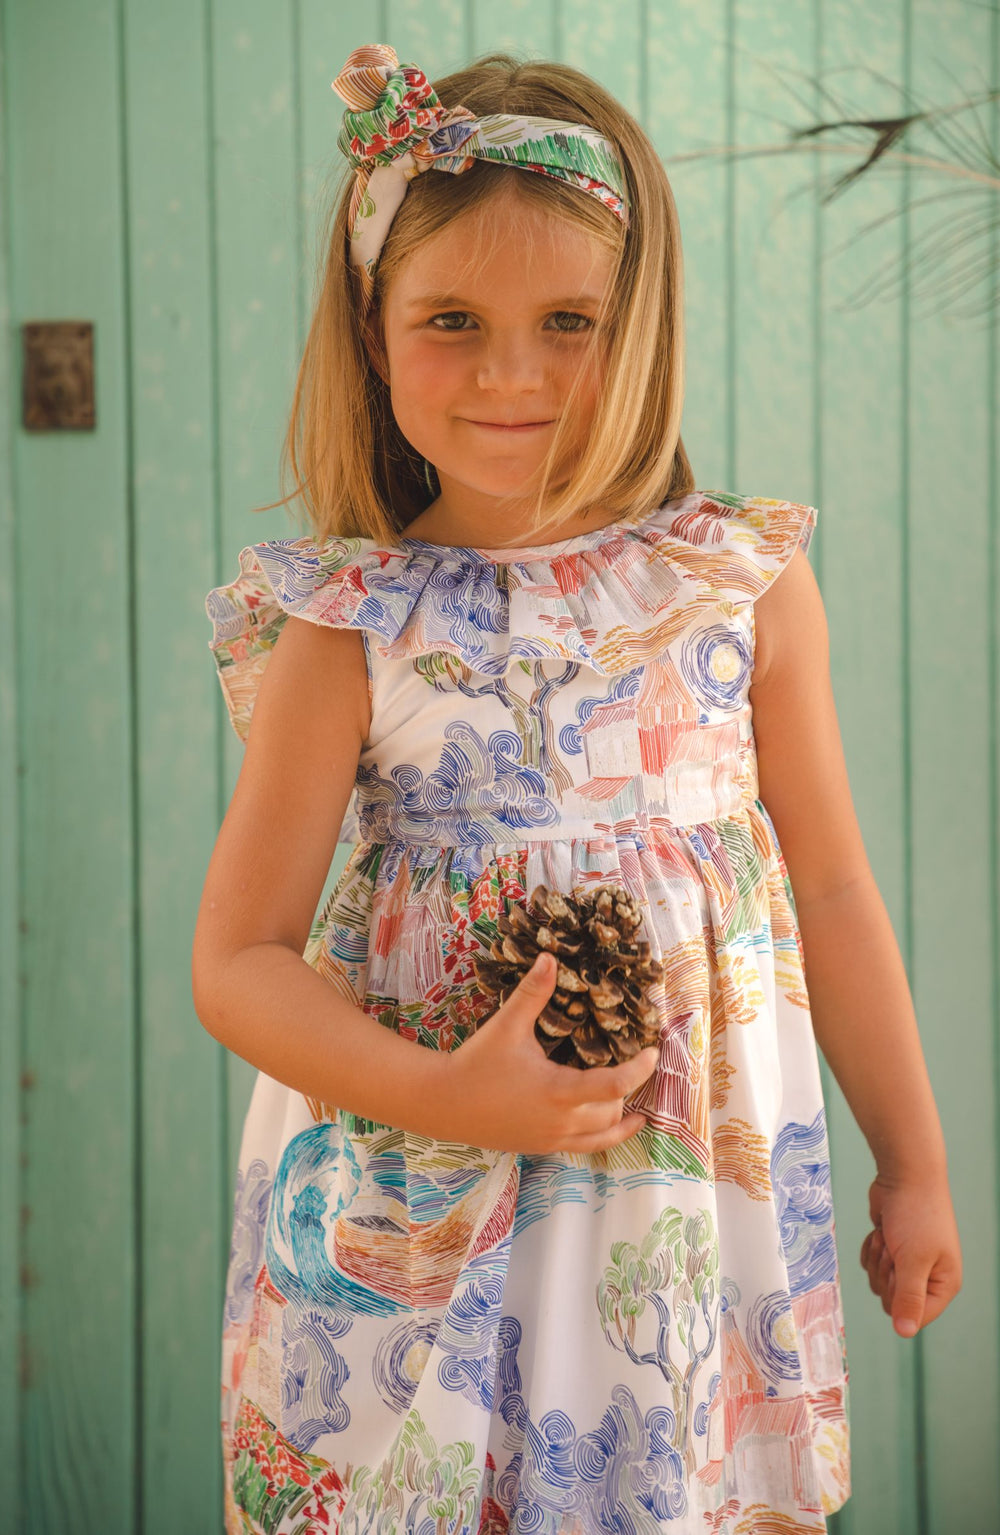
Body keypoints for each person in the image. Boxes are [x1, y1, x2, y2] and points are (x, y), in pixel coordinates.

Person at [193, 41, 961, 1535]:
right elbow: (239, 964)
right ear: (371, 327)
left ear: (645, 321)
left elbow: (837, 885)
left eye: (568, 321)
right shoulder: (349, 624)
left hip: (680, 1224)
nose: (510, 374)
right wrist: (443, 1090)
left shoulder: (737, 586)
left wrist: (914, 1165)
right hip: (415, 1209)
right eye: (452, 321)